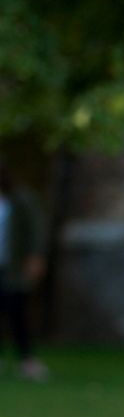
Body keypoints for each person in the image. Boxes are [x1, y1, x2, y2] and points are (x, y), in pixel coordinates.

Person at [0, 160, 48, 380]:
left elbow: (37, 229)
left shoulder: (21, 199)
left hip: (14, 266)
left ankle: (26, 359)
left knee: (17, 311)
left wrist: (36, 257)